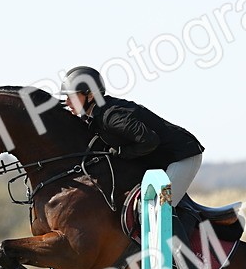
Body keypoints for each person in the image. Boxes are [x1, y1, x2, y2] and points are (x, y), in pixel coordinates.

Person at [60, 66, 204, 203]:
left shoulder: (112, 117)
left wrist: (121, 152)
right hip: (159, 159)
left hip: (182, 157)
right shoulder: (93, 116)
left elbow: (150, 141)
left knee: (160, 206)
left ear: (90, 95)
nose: (67, 102)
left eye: (72, 97)